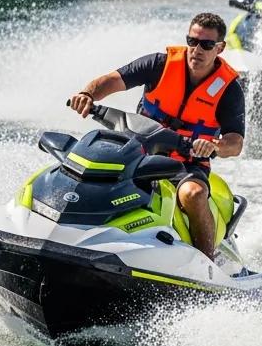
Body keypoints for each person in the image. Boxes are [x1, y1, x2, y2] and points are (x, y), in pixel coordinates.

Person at [68, 13, 245, 261]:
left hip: (187, 161)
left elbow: (235, 143)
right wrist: (87, 94)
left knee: (192, 195)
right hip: (138, 150)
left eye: (206, 45)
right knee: (91, 166)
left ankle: (207, 264)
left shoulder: (229, 89)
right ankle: (70, 230)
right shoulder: (158, 65)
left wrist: (214, 145)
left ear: (220, 48)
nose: (197, 50)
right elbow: (111, 80)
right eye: (191, 41)